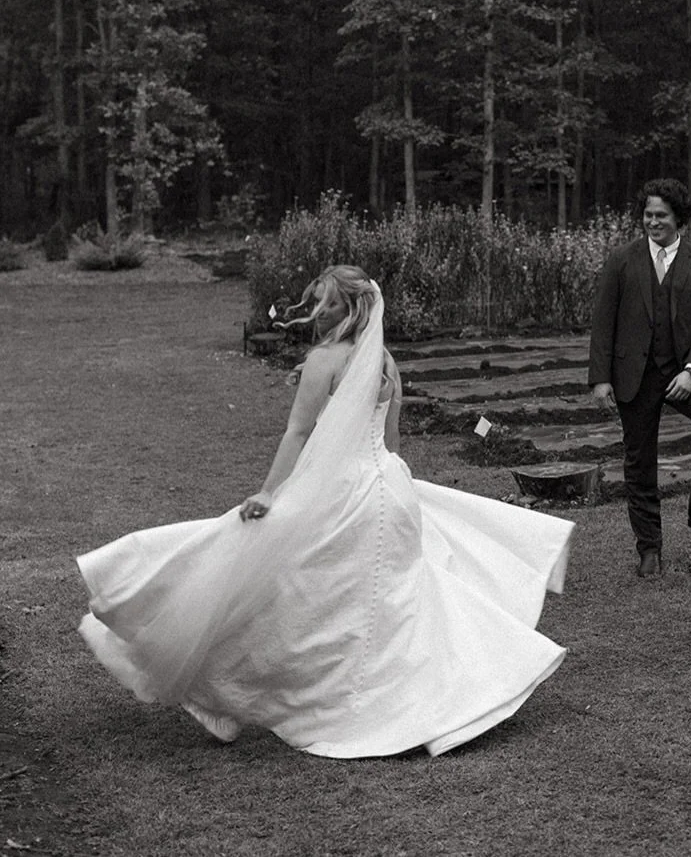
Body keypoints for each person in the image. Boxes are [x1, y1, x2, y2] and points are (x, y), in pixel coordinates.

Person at [78, 265, 573, 758]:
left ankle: (229, 689)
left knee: (284, 586)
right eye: (315, 300)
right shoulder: (385, 362)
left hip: (344, 492)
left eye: (327, 303)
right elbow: (392, 440)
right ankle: (388, 695)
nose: (315, 312)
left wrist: (271, 492)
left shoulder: (325, 360)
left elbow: (298, 432)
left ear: (350, 308)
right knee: (382, 602)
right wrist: (396, 483)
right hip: (388, 489)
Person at [588, 179, 691, 578]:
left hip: (683, 369)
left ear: (679, 218)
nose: (652, 222)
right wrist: (600, 378)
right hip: (633, 374)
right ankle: (649, 549)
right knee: (640, 462)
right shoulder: (622, 259)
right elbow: (603, 322)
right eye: (647, 215)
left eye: (661, 216)